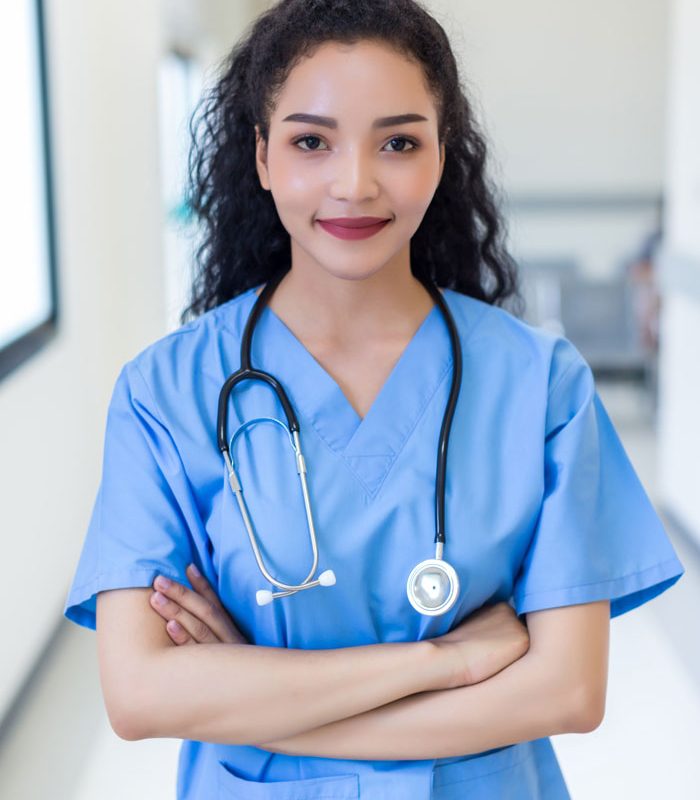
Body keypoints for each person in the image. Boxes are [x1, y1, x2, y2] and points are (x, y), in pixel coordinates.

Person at [63, 1, 685, 797]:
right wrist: (445, 661)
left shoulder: (539, 384)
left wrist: (255, 695)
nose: (354, 184)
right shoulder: (167, 392)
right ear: (261, 156)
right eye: (311, 141)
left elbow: (568, 692)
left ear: (441, 154)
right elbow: (141, 695)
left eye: (397, 142)